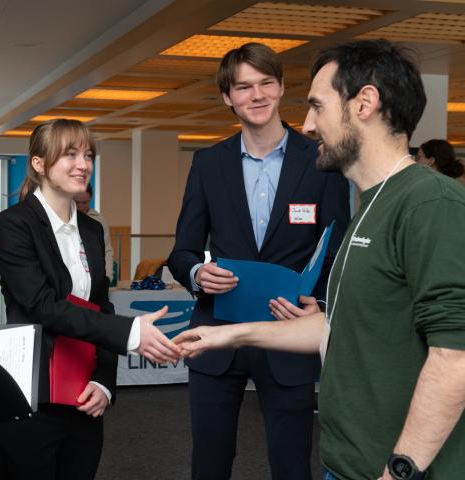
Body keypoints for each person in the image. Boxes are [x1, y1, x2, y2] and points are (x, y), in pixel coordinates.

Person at [175, 39, 465, 480]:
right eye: (243, 87)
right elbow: (343, 319)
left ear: (364, 103)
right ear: (227, 97)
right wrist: (228, 333)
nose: (308, 125)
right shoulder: (372, 205)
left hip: (388, 465)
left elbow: (455, 358)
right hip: (345, 456)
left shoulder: (430, 204)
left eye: (317, 106)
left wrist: (400, 471)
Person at [167, 42, 351, 480]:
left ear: (282, 88)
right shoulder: (209, 163)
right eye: (244, 86)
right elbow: (182, 251)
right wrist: (197, 272)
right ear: (228, 97)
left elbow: (338, 248)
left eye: (266, 82)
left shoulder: (321, 160)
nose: (257, 95)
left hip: (288, 332)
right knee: (209, 463)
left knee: (291, 462)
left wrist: (318, 305)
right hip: (217, 333)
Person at [0, 118, 181, 480]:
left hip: (84, 393)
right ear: (39, 164)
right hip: (30, 395)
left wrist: (106, 379)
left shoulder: (91, 229)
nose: (83, 164)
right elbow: (43, 306)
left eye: (88, 155)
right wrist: (129, 333)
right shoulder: (12, 225)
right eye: (70, 154)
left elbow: (101, 306)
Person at [74, 183, 115, 282]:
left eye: (84, 202)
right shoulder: (64, 218)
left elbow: (107, 251)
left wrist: (108, 276)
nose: (80, 206)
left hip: (95, 275)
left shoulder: (99, 221)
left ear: (90, 199)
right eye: (77, 202)